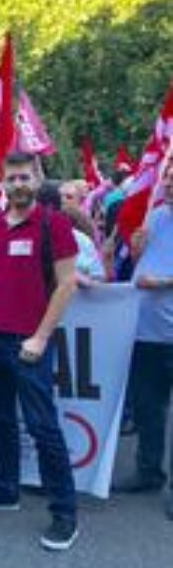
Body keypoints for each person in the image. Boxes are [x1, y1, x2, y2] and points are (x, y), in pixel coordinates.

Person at [0, 152, 80, 552]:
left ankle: (65, 513)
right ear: (2, 182)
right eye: (11, 179)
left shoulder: (55, 224)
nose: (18, 185)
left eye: (25, 177)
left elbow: (67, 285)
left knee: (43, 427)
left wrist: (41, 337)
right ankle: (5, 488)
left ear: (38, 177)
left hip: (28, 344)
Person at [112, 163, 173, 520]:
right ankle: (148, 471)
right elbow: (138, 263)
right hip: (147, 331)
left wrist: (163, 283)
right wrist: (132, 251)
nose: (167, 181)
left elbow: (158, 273)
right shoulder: (156, 214)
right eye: (167, 175)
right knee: (149, 408)